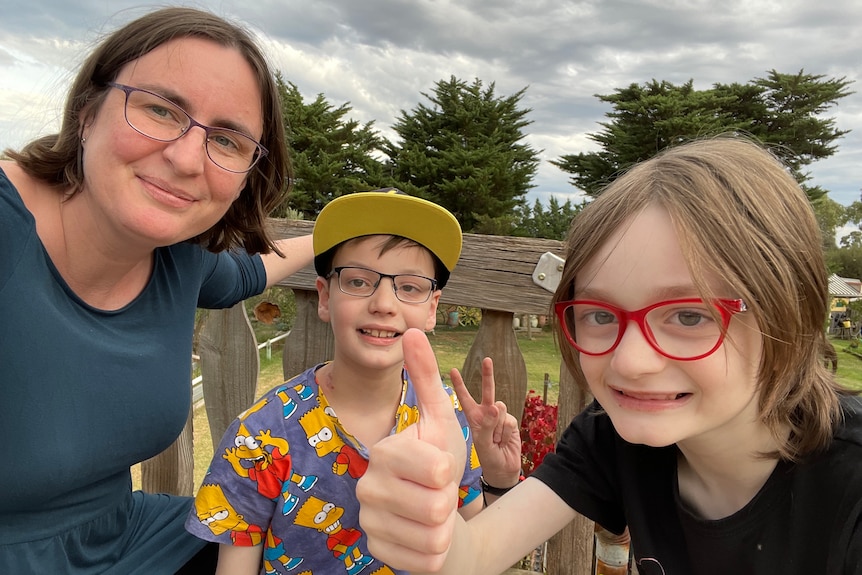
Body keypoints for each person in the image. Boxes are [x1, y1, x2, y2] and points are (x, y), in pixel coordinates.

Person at [354, 137, 862, 575]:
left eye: (690, 316)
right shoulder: (612, 440)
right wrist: (431, 526)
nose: (630, 362)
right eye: (599, 314)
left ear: (789, 313)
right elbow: (472, 556)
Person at [0, 7, 314, 574]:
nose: (187, 158)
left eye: (229, 140)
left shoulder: (180, 257)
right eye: (161, 110)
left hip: (126, 544)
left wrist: (337, 232)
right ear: (87, 112)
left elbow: (246, 273)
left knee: (312, 532)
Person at [186, 188, 516, 575]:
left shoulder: (448, 418)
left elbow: (473, 551)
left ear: (432, 309)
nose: (383, 303)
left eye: (409, 287)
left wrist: (500, 481)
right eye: (358, 282)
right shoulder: (260, 436)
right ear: (325, 298)